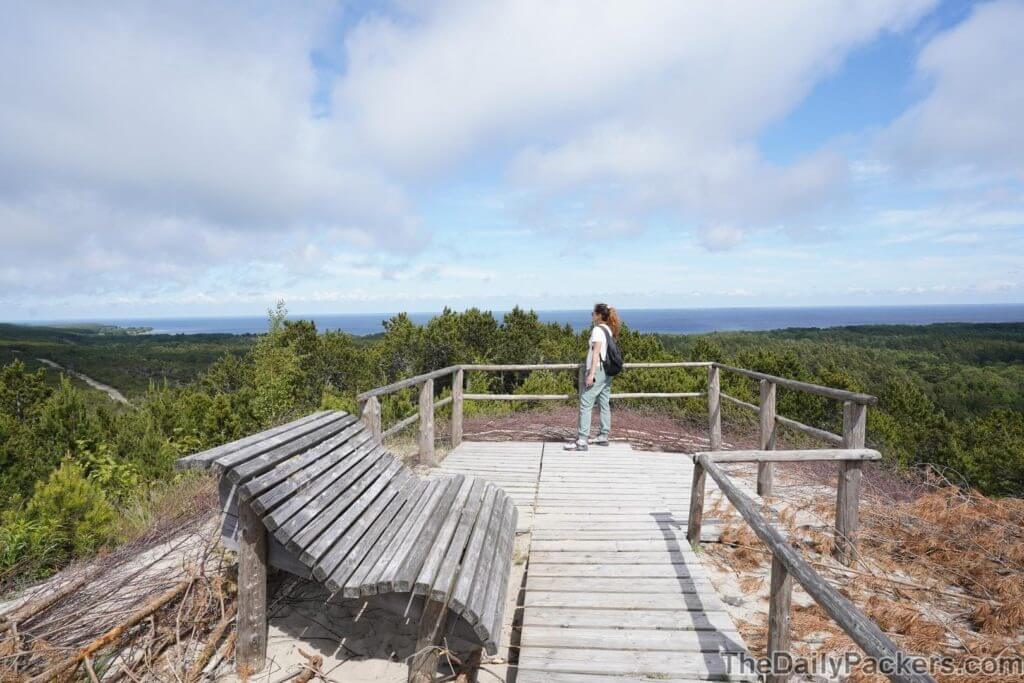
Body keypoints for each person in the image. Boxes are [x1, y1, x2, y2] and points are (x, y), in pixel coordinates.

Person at [565, 303, 621, 451]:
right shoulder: (607, 329)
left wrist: (591, 374)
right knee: (604, 402)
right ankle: (603, 435)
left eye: (592, 313)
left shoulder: (597, 330)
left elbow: (596, 353)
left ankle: (582, 440)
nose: (591, 316)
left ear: (598, 315)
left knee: (585, 402)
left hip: (597, 370)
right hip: (606, 371)